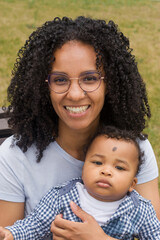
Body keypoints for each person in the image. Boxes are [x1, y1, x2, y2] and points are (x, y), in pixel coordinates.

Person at [0, 16, 159, 240]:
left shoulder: (134, 151)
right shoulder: (14, 155)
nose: (75, 94)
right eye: (60, 80)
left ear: (109, 83)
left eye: (90, 78)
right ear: (43, 85)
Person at [0, 126, 160, 240]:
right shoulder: (61, 196)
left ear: (132, 184)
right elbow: (35, 224)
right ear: (83, 168)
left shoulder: (140, 210)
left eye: (119, 167)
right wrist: (12, 234)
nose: (106, 171)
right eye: (97, 163)